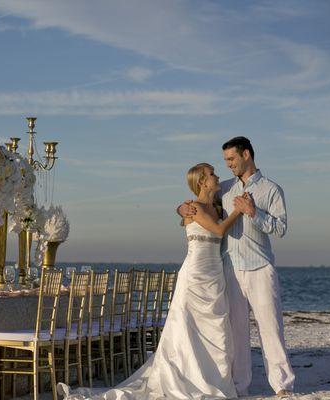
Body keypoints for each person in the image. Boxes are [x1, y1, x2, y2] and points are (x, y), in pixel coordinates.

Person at [59, 163, 241, 399]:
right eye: (212, 174)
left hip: (215, 273)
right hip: (195, 274)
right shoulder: (194, 207)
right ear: (202, 182)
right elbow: (218, 231)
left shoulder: (216, 206)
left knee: (215, 328)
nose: (217, 176)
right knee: (188, 328)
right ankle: (190, 378)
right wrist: (240, 211)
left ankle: (211, 378)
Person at [178, 137, 295, 397]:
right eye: (225, 161)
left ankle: (282, 386)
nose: (228, 165)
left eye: (231, 159)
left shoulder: (271, 189)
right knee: (236, 332)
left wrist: (254, 212)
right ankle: (240, 386)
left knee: (270, 327)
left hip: (260, 267)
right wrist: (180, 208)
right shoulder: (225, 188)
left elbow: (281, 229)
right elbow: (200, 202)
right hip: (228, 268)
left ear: (246, 154)